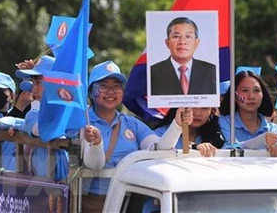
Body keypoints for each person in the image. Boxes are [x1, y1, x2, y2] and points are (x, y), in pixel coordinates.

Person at [81, 60, 193, 212]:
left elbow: (159, 150)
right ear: (90, 93)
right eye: (103, 86)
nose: (111, 91)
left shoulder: (132, 123)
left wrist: (177, 125)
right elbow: (94, 164)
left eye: (116, 86)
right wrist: (96, 143)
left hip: (127, 203)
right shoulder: (81, 122)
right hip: (91, 203)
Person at [218, 71, 277, 157]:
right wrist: (260, 141)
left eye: (256, 90)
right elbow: (231, 150)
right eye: (245, 90)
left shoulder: (273, 129)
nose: (251, 96)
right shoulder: (223, 123)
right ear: (234, 96)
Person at [150, 17, 216, 95]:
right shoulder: (152, 72)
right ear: (167, 43)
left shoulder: (211, 70)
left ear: (196, 43)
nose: (182, 42)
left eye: (188, 36)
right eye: (176, 36)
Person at [155, 107, 224, 157]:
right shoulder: (160, 134)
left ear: (212, 111)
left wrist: (215, 120)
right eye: (193, 106)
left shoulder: (217, 133)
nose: (198, 113)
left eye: (205, 108)